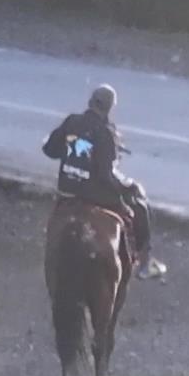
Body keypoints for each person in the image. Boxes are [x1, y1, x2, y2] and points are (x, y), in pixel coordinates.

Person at [43, 83, 153, 274]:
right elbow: (105, 174)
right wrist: (127, 187)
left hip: (67, 190)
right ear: (110, 108)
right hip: (93, 195)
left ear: (90, 101)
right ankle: (144, 262)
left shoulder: (71, 122)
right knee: (138, 204)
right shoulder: (105, 133)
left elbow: (50, 150)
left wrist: (69, 152)